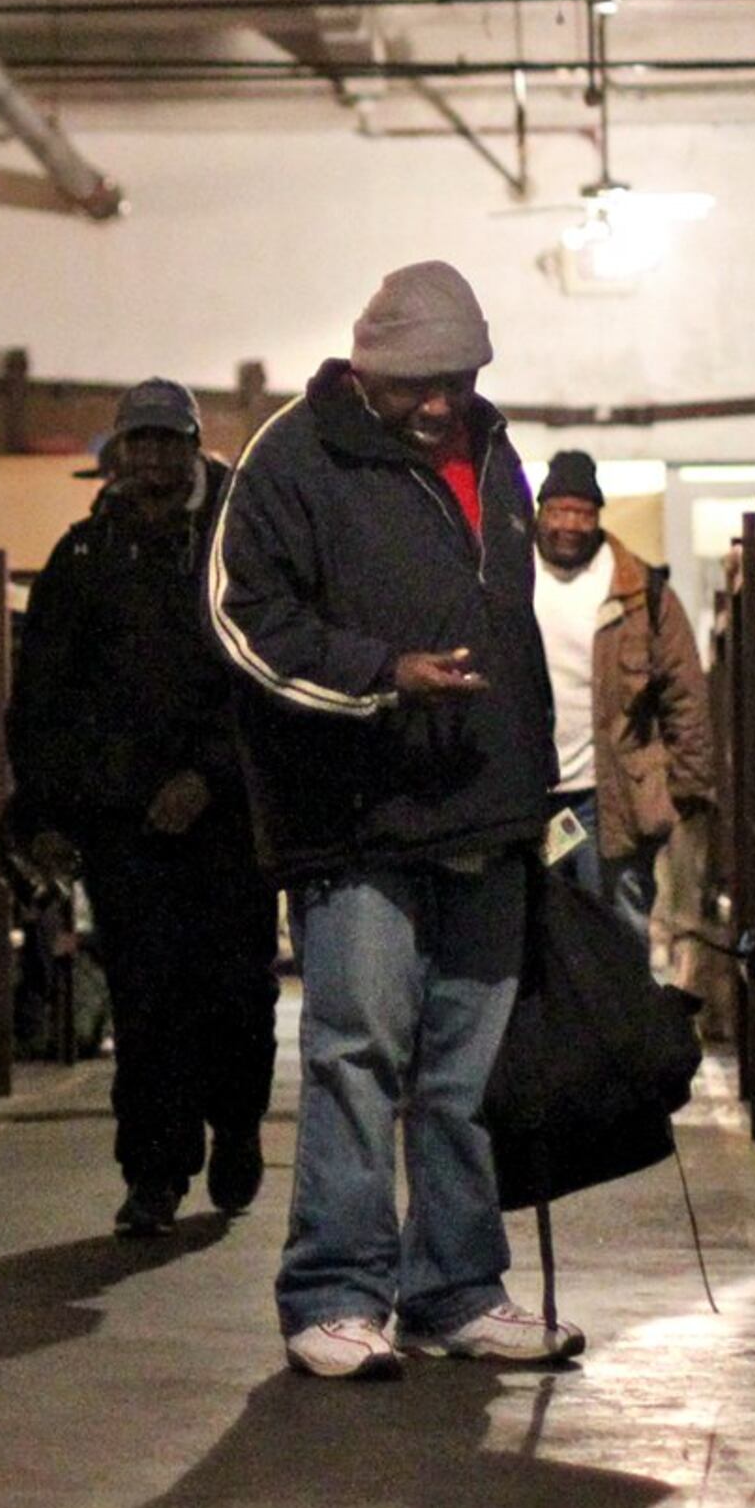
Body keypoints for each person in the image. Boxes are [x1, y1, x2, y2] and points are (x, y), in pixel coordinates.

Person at [209, 260, 578, 1380]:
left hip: (486, 810)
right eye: (417, 384)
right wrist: (381, 674)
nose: (438, 403)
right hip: (359, 817)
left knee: (465, 1076)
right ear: (367, 369)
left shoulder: (497, 452)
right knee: (355, 1058)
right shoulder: (294, 455)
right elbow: (243, 618)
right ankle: (334, 1290)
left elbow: (506, 625)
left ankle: (455, 1288)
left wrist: (534, 791)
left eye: (457, 380)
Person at [7, 377, 279, 1238]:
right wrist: (46, 812)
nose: (155, 455)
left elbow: (265, 684)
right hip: (127, 829)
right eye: (141, 441)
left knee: (237, 995)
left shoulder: (242, 549)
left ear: (194, 446)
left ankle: (235, 1126)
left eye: (171, 440)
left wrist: (210, 775)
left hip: (226, 823)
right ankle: (153, 1172)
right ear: (119, 453)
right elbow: (43, 697)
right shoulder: (83, 559)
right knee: (146, 1002)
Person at [528, 450, 707, 945]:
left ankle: (621, 1024)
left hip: (614, 799)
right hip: (527, 798)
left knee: (619, 934)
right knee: (533, 941)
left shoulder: (640, 589)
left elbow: (684, 693)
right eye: (558, 511)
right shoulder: (510, 581)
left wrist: (686, 791)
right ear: (540, 513)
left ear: (598, 517)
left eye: (582, 513)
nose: (569, 524)